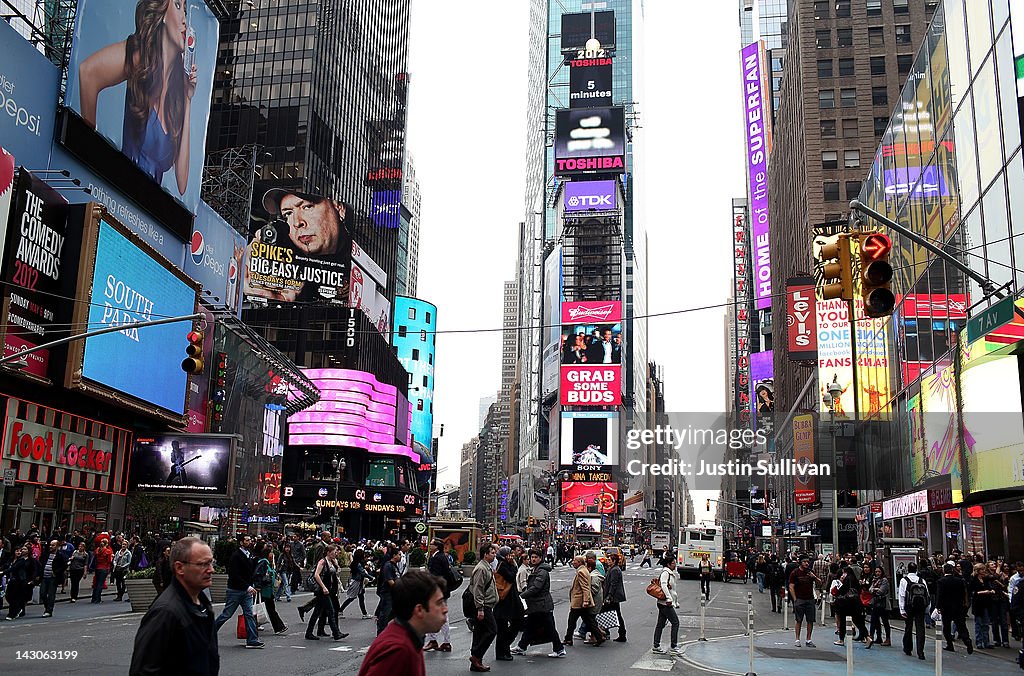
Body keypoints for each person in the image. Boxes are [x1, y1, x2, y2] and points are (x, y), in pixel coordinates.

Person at [77, 0, 196, 193]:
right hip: (119, 195)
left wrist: (188, 99)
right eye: (177, 5)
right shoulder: (141, 57)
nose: (185, 20)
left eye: (185, 10)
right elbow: (88, 72)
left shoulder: (177, 95)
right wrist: (90, 149)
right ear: (162, 14)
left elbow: (182, 183)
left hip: (149, 213)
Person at [129, 537, 219, 676]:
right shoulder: (165, 612)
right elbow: (143, 670)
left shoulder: (203, 604)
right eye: (203, 564)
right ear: (179, 568)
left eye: (211, 563)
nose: (211, 570)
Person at [246, 189, 349, 302]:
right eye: (288, 214)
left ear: (339, 208)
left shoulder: (361, 247)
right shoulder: (286, 255)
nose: (296, 222)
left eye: (307, 207)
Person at [357, 569, 448, 676]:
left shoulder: (410, 638)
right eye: (439, 603)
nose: (445, 609)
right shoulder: (399, 650)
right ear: (419, 610)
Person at [512, 548, 565, 658]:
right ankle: (521, 647)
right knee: (530, 626)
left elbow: (536, 588)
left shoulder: (542, 571)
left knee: (549, 627)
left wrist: (521, 596)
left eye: (536, 557)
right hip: (536, 605)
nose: (533, 559)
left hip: (542, 605)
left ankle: (559, 649)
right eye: (532, 557)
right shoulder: (536, 569)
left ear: (540, 558)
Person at [213, 534, 263, 649]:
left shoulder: (249, 555)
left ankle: (252, 640)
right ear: (241, 542)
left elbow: (250, 572)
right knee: (226, 614)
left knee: (249, 615)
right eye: (247, 540)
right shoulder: (236, 556)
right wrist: (247, 586)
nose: (249, 541)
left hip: (246, 591)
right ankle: (209, 633)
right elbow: (234, 575)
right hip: (235, 590)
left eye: (250, 540)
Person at [305, 544, 347, 641]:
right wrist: (323, 587)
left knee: (317, 612)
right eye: (334, 551)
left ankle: (309, 632)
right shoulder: (323, 561)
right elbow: (316, 575)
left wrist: (336, 565)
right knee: (331, 611)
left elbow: (336, 573)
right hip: (323, 591)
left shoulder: (332, 561)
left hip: (329, 590)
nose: (336, 553)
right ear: (328, 552)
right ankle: (336, 633)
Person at [469, 543, 499, 672]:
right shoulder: (481, 568)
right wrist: (480, 608)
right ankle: (476, 656)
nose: (494, 555)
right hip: (483, 606)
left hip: (487, 605)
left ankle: (476, 663)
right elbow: (478, 590)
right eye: (492, 553)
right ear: (485, 554)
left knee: (479, 633)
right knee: (492, 630)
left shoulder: (487, 567)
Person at [563, 554, 603, 647]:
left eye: (575, 561)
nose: (573, 562)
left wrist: (585, 600)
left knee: (572, 621)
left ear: (580, 562)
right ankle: (599, 637)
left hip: (579, 602)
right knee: (588, 620)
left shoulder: (581, 572)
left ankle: (568, 639)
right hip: (581, 601)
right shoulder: (583, 570)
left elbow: (585, 587)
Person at [935, 562, 974, 654]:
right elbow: (963, 593)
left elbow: (940, 595)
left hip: (946, 607)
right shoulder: (959, 580)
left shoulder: (941, 581)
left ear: (944, 570)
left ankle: (950, 644)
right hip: (958, 606)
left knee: (947, 627)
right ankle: (967, 641)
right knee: (961, 626)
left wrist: (938, 606)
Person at [493, 546, 523, 661]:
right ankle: (501, 652)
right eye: (509, 554)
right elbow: (511, 577)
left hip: (511, 599)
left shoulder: (506, 564)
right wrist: (512, 564)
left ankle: (504, 648)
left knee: (516, 622)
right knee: (502, 628)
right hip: (504, 600)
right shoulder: (502, 565)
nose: (511, 556)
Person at [423, 539, 455, 652]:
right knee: (440, 615)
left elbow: (435, 576)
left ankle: (437, 641)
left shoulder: (437, 558)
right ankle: (440, 641)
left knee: (437, 615)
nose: (429, 545)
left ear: (436, 546)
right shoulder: (442, 556)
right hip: (442, 591)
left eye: (431, 544)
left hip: (437, 591)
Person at [833, 566, 871, 648]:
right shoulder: (855, 580)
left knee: (843, 621)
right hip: (856, 603)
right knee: (859, 621)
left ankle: (841, 640)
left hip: (846, 604)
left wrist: (841, 582)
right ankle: (867, 637)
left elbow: (840, 591)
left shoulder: (846, 580)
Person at [254, 543, 288, 635]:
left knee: (268, 608)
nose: (272, 555)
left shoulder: (267, 562)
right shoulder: (263, 562)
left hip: (267, 590)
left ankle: (277, 627)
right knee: (270, 609)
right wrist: (258, 586)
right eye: (271, 553)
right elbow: (258, 574)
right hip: (264, 590)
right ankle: (279, 627)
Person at [788, 555, 821, 648]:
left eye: (808, 561)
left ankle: (808, 639)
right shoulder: (795, 573)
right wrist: (795, 599)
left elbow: (820, 583)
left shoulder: (810, 572)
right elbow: (791, 586)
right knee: (799, 620)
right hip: (800, 599)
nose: (807, 563)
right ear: (800, 562)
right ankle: (797, 639)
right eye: (804, 562)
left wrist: (814, 577)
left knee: (810, 620)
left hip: (810, 599)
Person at [898, 561, 929, 659]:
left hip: (909, 606)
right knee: (920, 628)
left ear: (907, 569)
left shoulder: (904, 580)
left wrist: (902, 609)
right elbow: (927, 595)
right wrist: (927, 608)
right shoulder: (921, 580)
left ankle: (908, 648)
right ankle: (921, 651)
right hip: (920, 606)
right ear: (916, 570)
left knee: (908, 627)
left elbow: (902, 595)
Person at [652, 556, 682, 655]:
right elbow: (664, 585)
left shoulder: (669, 573)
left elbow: (672, 589)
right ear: (668, 564)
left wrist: (675, 601)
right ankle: (673, 646)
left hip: (663, 603)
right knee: (675, 622)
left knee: (660, 624)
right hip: (665, 603)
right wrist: (669, 598)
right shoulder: (666, 573)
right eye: (673, 563)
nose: (675, 565)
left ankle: (656, 645)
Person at [967, 562, 995, 649]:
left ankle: (986, 641)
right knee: (978, 623)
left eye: (984, 569)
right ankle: (979, 641)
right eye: (982, 570)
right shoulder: (973, 580)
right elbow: (972, 592)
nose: (983, 571)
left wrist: (991, 591)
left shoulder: (986, 580)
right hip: (978, 604)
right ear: (977, 571)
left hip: (986, 603)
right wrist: (983, 592)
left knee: (986, 624)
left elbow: (991, 586)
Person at [374, 547, 402, 635]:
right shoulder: (388, 566)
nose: (400, 556)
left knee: (393, 614)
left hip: (394, 594)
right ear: (394, 555)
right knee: (385, 613)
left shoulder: (394, 565)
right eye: (399, 554)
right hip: (388, 593)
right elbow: (390, 581)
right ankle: (381, 633)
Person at [340, 549, 373, 621]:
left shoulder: (355, 563)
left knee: (360, 598)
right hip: (357, 582)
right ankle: (340, 610)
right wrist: (371, 577)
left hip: (358, 582)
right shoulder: (358, 564)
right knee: (351, 598)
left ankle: (364, 613)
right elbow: (363, 573)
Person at [39, 539, 69, 618]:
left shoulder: (60, 555)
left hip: (53, 578)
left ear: (57, 546)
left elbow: (65, 565)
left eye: (53, 545)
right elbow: (41, 563)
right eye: (50, 545)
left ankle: (49, 610)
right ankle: (47, 607)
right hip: (45, 576)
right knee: (42, 593)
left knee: (51, 594)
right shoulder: (46, 554)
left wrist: (56, 572)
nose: (51, 547)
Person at [603, 553, 627, 641]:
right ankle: (620, 633)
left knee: (606, 613)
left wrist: (609, 596)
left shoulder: (615, 570)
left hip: (614, 597)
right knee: (616, 614)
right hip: (614, 596)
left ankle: (607, 632)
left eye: (609, 560)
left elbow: (613, 584)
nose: (608, 561)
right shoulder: (612, 569)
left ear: (614, 561)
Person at [867, 566, 892, 646]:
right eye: (876, 571)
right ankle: (874, 637)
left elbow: (881, 591)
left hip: (883, 604)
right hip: (876, 603)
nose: (877, 573)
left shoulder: (884, 580)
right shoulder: (875, 580)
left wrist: (875, 590)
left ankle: (887, 639)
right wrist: (875, 590)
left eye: (879, 572)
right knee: (874, 621)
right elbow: (870, 589)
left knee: (885, 622)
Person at [91, 537, 114, 603]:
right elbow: (109, 561)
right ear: (106, 544)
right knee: (100, 584)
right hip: (104, 568)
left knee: (96, 583)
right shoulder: (107, 551)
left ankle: (93, 598)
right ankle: (98, 599)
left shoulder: (97, 550)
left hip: (97, 568)